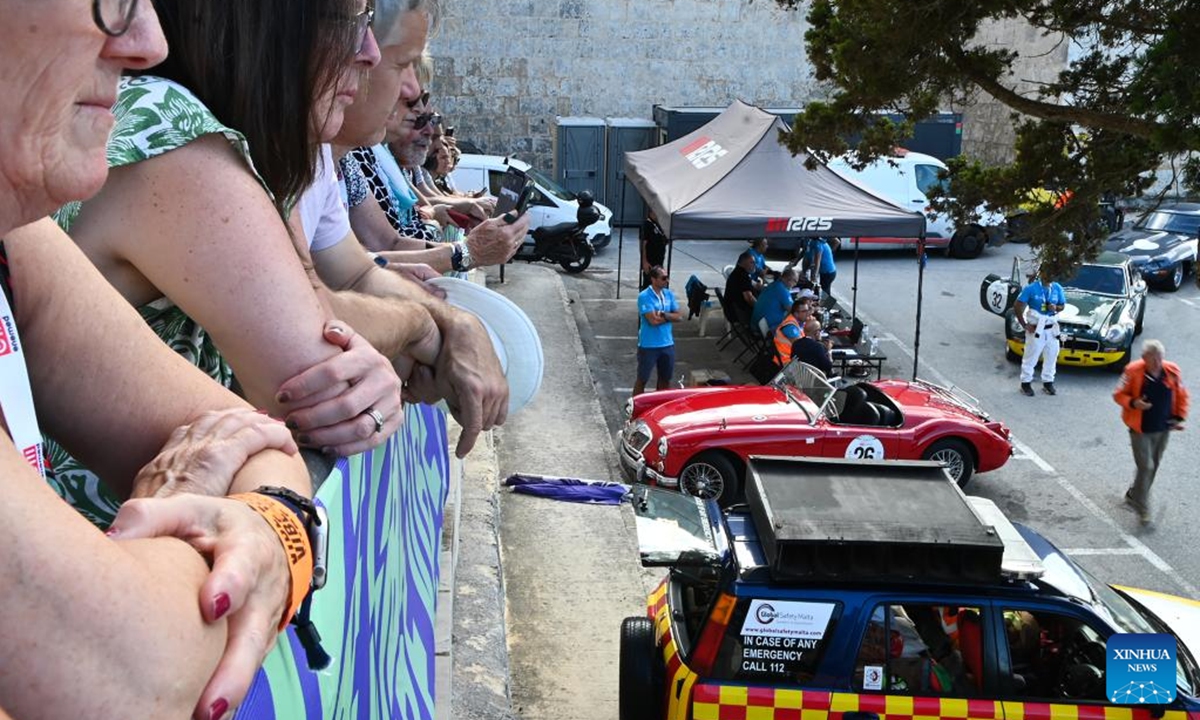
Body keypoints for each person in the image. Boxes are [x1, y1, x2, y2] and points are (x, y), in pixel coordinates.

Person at [0, 1, 317, 717]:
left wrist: (275, 524)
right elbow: (136, 676)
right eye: (110, 1)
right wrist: (194, 512)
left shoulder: (17, 239)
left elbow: (256, 438)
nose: (148, 43)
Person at [1113, 340, 1188, 524]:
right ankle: (1142, 507)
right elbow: (1118, 394)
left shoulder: (1172, 370)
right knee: (1146, 466)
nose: (1157, 362)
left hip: (1162, 428)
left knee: (1153, 466)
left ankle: (1134, 494)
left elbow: (1181, 394)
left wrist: (1179, 416)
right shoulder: (1132, 371)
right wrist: (1133, 403)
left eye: (1159, 358)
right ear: (1144, 358)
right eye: (1152, 359)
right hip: (1140, 428)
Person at [1013, 267, 1066, 396]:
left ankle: (1048, 382)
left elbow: (1062, 306)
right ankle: (1025, 383)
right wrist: (1024, 324)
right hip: (1036, 329)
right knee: (1031, 356)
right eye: (1048, 273)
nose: (1050, 276)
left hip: (1051, 329)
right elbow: (1017, 305)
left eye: (1053, 273)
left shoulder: (1057, 288)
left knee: (1052, 355)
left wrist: (1056, 307)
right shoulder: (1031, 288)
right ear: (1042, 273)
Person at [634, 266, 682, 395]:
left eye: (667, 277)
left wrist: (663, 314)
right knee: (642, 379)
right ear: (653, 279)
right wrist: (669, 316)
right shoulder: (644, 296)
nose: (667, 280)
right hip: (649, 345)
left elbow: (679, 316)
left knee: (665, 379)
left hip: (667, 343)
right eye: (663, 278)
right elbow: (653, 321)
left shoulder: (668, 294)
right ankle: (634, 407)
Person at [752, 267, 799, 333]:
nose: (795, 284)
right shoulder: (782, 290)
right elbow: (793, 310)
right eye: (795, 281)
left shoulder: (774, 285)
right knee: (798, 320)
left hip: (757, 324)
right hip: (767, 329)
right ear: (789, 279)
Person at [772, 296, 815, 366]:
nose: (807, 313)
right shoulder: (790, 327)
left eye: (808, 310)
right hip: (785, 361)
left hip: (792, 358)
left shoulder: (798, 322)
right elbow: (801, 346)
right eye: (804, 311)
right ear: (796, 314)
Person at [724, 250, 759, 326]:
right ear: (743, 263)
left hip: (733, 310)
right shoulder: (742, 276)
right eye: (752, 262)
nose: (755, 265)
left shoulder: (739, 272)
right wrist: (760, 309)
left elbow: (754, 285)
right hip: (739, 313)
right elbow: (749, 298)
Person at [639, 208, 669, 290]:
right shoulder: (647, 225)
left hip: (659, 260)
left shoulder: (658, 225)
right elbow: (643, 244)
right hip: (650, 261)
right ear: (651, 212)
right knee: (649, 283)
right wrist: (644, 261)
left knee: (657, 284)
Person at [807, 237, 838, 308]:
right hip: (827, 271)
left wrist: (814, 275)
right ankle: (827, 307)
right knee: (825, 290)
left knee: (825, 291)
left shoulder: (818, 244)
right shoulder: (813, 242)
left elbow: (817, 261)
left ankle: (827, 308)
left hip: (828, 272)